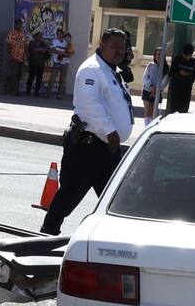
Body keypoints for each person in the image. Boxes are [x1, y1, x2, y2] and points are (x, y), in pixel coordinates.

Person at [40, 28, 134, 235]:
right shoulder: (92, 69)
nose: (120, 51)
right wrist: (110, 131)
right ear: (102, 44)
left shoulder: (112, 70)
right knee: (70, 194)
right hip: (88, 147)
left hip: (108, 149)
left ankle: (118, 239)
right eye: (115, 46)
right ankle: (47, 234)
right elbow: (89, 104)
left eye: (123, 47)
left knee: (115, 197)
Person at [166, 43, 195, 114]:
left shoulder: (194, 62)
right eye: (186, 55)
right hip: (176, 90)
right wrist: (179, 73)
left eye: (189, 55)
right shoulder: (177, 60)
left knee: (184, 110)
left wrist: (190, 79)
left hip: (187, 90)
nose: (187, 57)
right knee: (174, 110)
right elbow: (171, 73)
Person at [140, 47, 169, 125]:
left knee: (153, 111)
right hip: (147, 90)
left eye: (160, 54)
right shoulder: (150, 65)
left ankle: (152, 126)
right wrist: (151, 87)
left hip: (157, 92)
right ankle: (146, 127)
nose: (158, 56)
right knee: (147, 111)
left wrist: (157, 89)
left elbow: (165, 81)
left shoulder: (166, 68)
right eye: (156, 54)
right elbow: (145, 78)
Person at [49, 28, 75, 99]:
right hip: (56, 62)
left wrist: (68, 50)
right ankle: (48, 93)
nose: (58, 36)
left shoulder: (66, 42)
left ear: (62, 35)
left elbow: (72, 52)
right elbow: (54, 50)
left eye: (60, 34)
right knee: (53, 78)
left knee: (62, 79)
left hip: (65, 63)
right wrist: (64, 54)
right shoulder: (54, 41)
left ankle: (60, 94)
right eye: (57, 34)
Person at [4, 19, 28, 95]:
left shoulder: (23, 34)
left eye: (20, 24)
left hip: (22, 57)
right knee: (14, 74)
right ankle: (12, 91)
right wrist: (9, 55)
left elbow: (25, 45)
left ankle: (16, 90)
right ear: (15, 25)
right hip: (14, 57)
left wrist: (26, 56)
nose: (19, 26)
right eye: (18, 24)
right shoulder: (11, 33)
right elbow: (8, 44)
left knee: (19, 75)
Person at [25, 30, 51, 97]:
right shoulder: (32, 43)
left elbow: (48, 49)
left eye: (41, 36)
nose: (40, 37)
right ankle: (28, 91)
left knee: (39, 78)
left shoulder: (43, 44)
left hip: (41, 63)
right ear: (35, 37)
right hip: (33, 63)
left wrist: (42, 50)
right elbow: (33, 50)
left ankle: (37, 92)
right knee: (31, 77)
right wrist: (41, 50)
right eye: (39, 36)